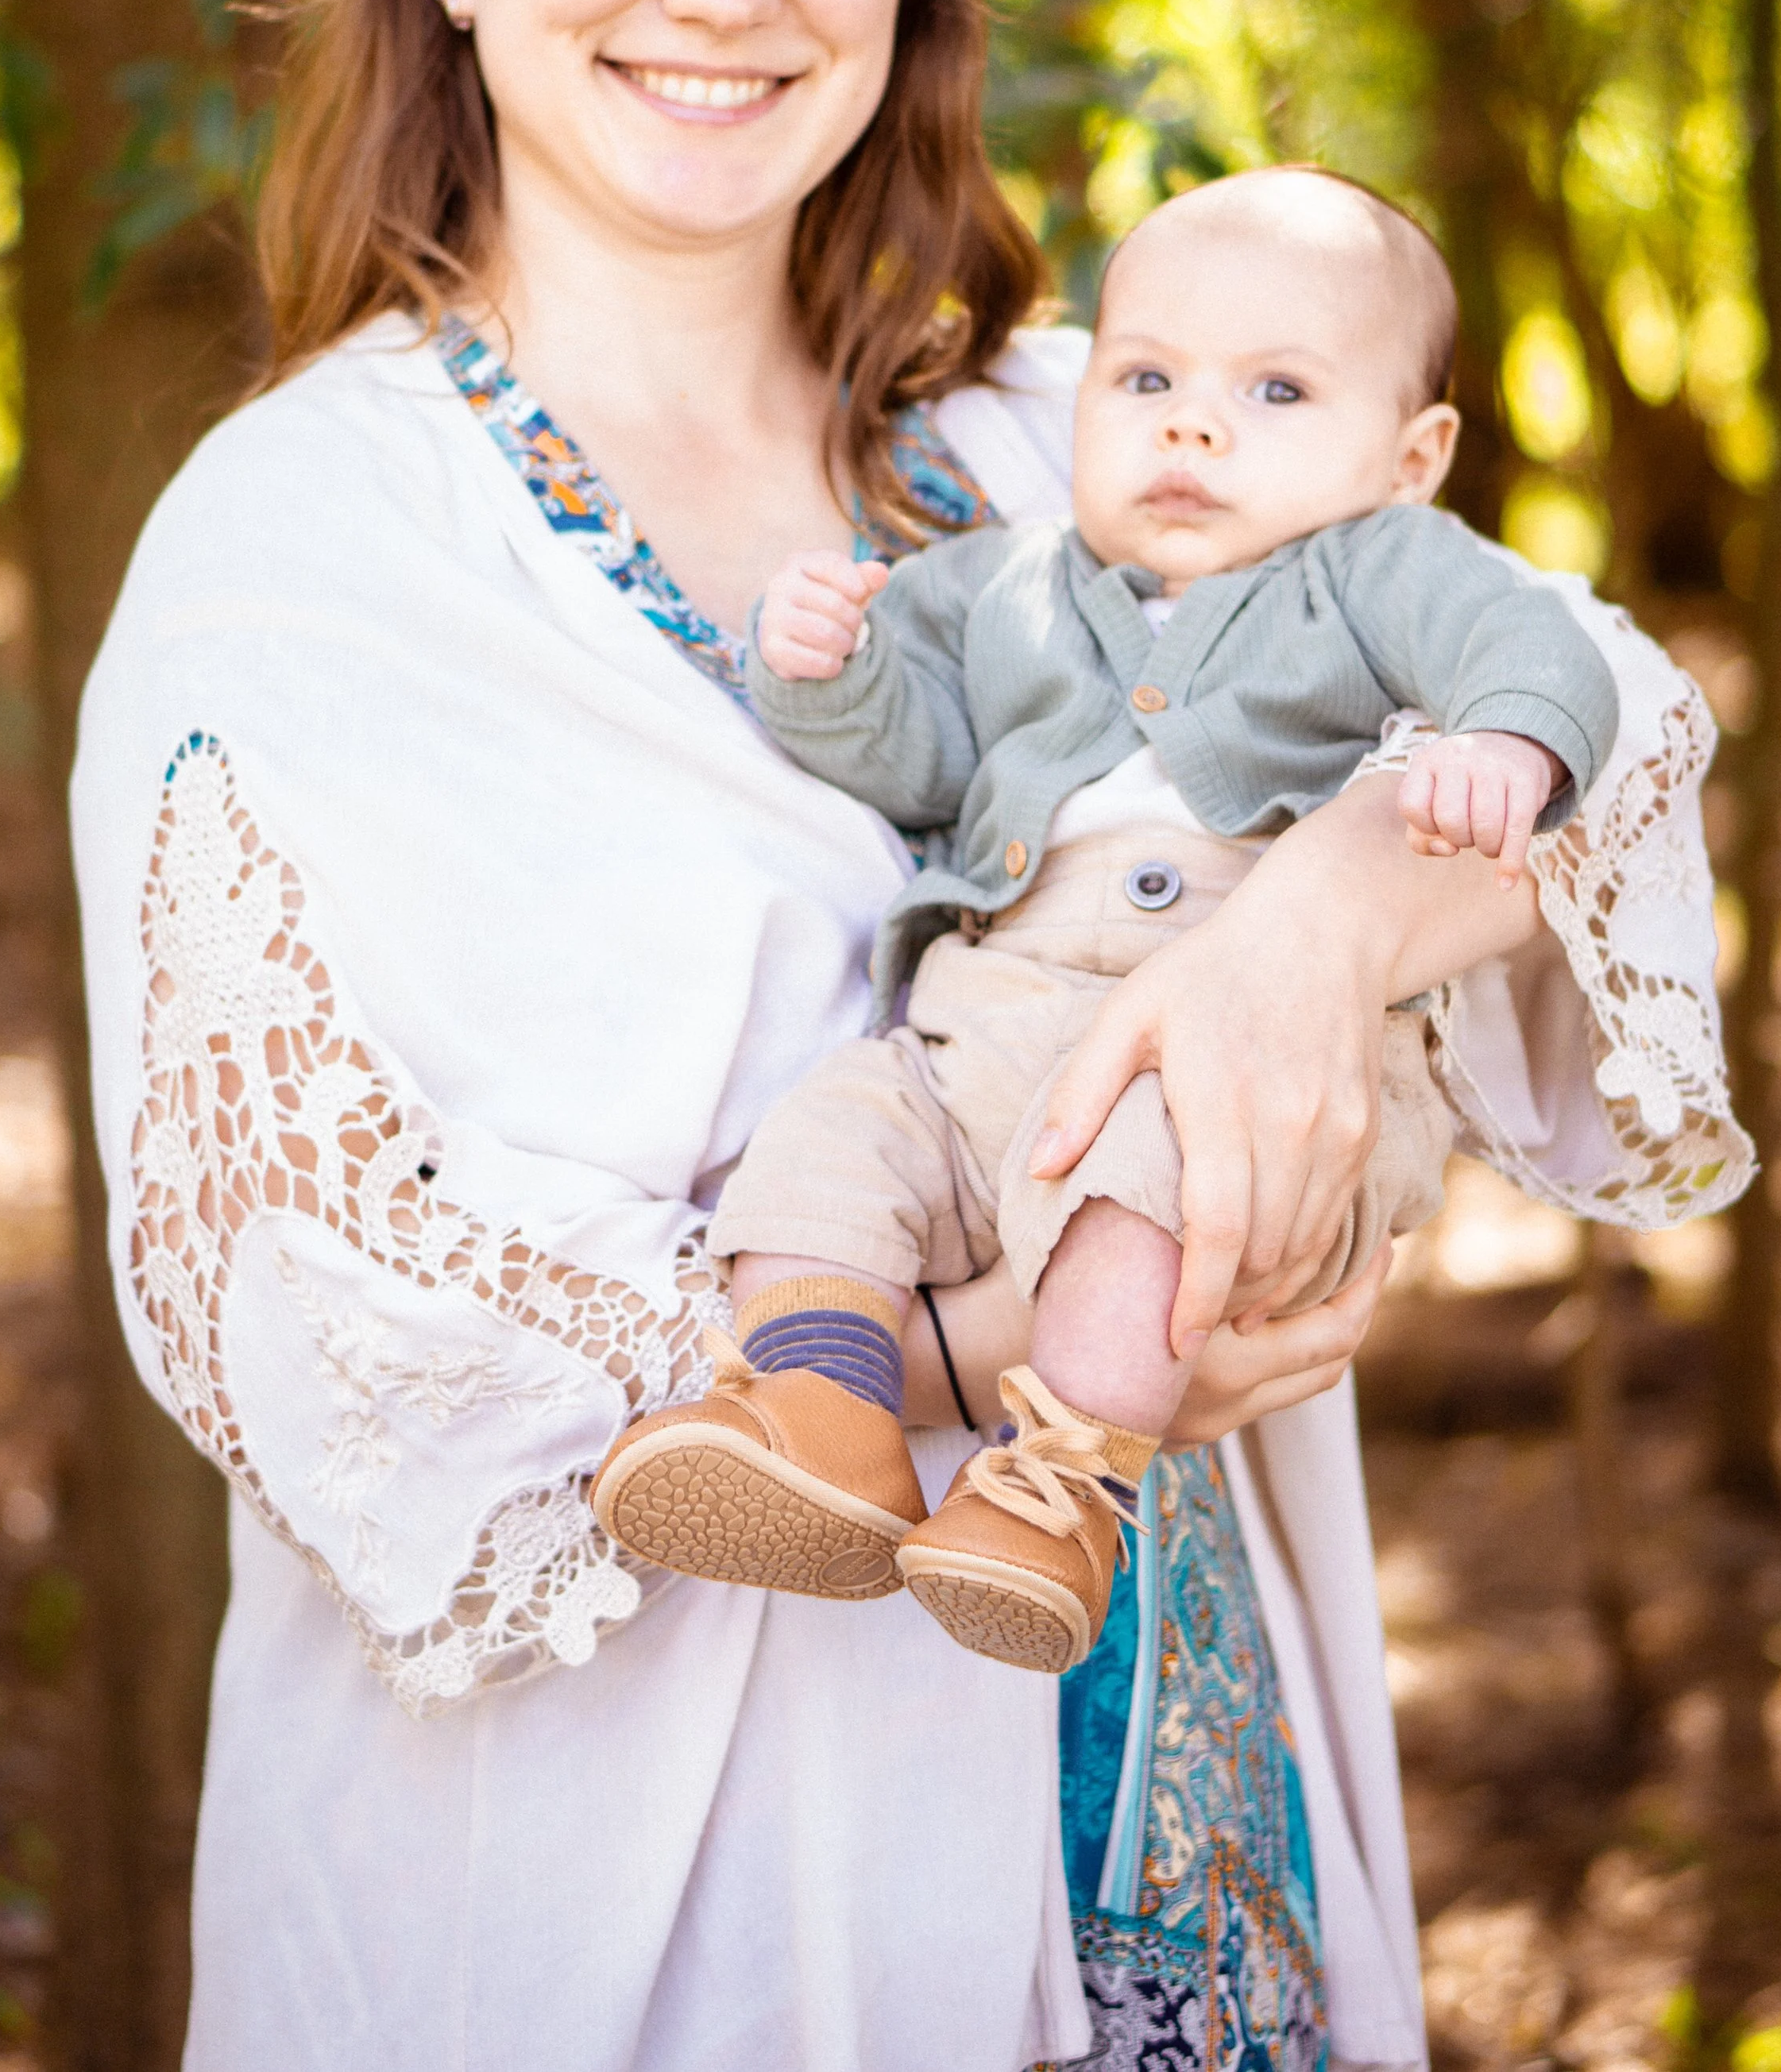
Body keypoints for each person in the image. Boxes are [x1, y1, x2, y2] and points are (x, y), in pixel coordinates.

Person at [71, 0, 1752, 2072]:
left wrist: (1312, 938)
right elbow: (326, 1318)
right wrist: (1048, 1334)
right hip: (659, 1889)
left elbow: (1613, 706)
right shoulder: (307, 544)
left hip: (1185, 1806)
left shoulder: (1065, 428)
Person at [595, 166, 1622, 1677]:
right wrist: (827, 674)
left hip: (1241, 1056)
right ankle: (817, 1404)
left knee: (1166, 1185)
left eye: (1278, 389)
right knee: (839, 1132)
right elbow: (923, 757)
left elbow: (1540, 648)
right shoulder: (1004, 583)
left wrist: (1504, 745)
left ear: (1413, 456)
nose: (1193, 424)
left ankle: (1062, 1486)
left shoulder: (1380, 568)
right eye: (1146, 378)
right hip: (987, 1019)